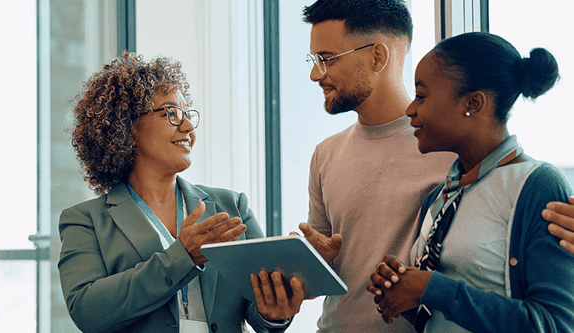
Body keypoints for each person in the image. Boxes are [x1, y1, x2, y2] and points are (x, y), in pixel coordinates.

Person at [294, 0, 574, 332]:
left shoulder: (477, 163)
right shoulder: (446, 186)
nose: (315, 73)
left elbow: (552, 316)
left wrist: (428, 288)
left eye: (326, 59)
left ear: (377, 56)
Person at [57, 52, 303, 333]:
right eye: (171, 113)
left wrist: (274, 312)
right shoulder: (85, 220)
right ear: (126, 125)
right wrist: (182, 256)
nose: (187, 128)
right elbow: (88, 311)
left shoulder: (231, 206)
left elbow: (259, 308)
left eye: (188, 115)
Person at [367, 32, 574, 332]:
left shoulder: (537, 186)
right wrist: (405, 292)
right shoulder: (442, 195)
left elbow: (554, 325)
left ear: (474, 103)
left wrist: (432, 288)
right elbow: (445, 312)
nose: (410, 110)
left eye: (421, 96)